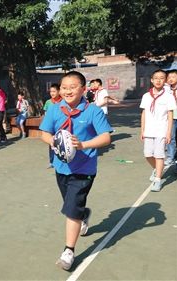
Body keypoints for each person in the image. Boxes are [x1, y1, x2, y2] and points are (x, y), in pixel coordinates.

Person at [39, 71, 112, 271]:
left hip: (84, 168)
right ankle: (84, 213)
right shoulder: (54, 110)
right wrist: (53, 141)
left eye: (73, 87)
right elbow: (44, 133)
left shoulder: (93, 111)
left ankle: (68, 251)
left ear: (83, 89)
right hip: (61, 167)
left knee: (71, 208)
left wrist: (83, 145)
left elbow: (106, 138)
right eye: (64, 87)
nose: (68, 90)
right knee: (72, 205)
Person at [140, 69, 176, 191]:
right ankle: (157, 169)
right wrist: (142, 130)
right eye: (156, 78)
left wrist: (168, 132)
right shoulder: (146, 96)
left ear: (165, 80)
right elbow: (144, 113)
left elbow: (170, 115)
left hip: (161, 130)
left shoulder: (168, 96)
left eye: (161, 78)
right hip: (149, 130)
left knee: (159, 155)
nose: (158, 80)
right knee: (148, 154)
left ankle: (158, 179)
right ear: (152, 80)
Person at [165, 70, 177, 166]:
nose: (170, 79)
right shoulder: (166, 90)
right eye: (169, 77)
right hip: (170, 118)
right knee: (170, 138)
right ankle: (170, 157)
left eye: (173, 77)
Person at [42, 84, 62, 168]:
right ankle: (52, 161)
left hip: (60, 125)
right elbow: (46, 113)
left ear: (59, 92)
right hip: (51, 126)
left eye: (54, 91)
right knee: (52, 143)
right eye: (51, 91)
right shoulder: (48, 102)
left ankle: (62, 159)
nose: (52, 93)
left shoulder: (63, 101)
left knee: (61, 143)